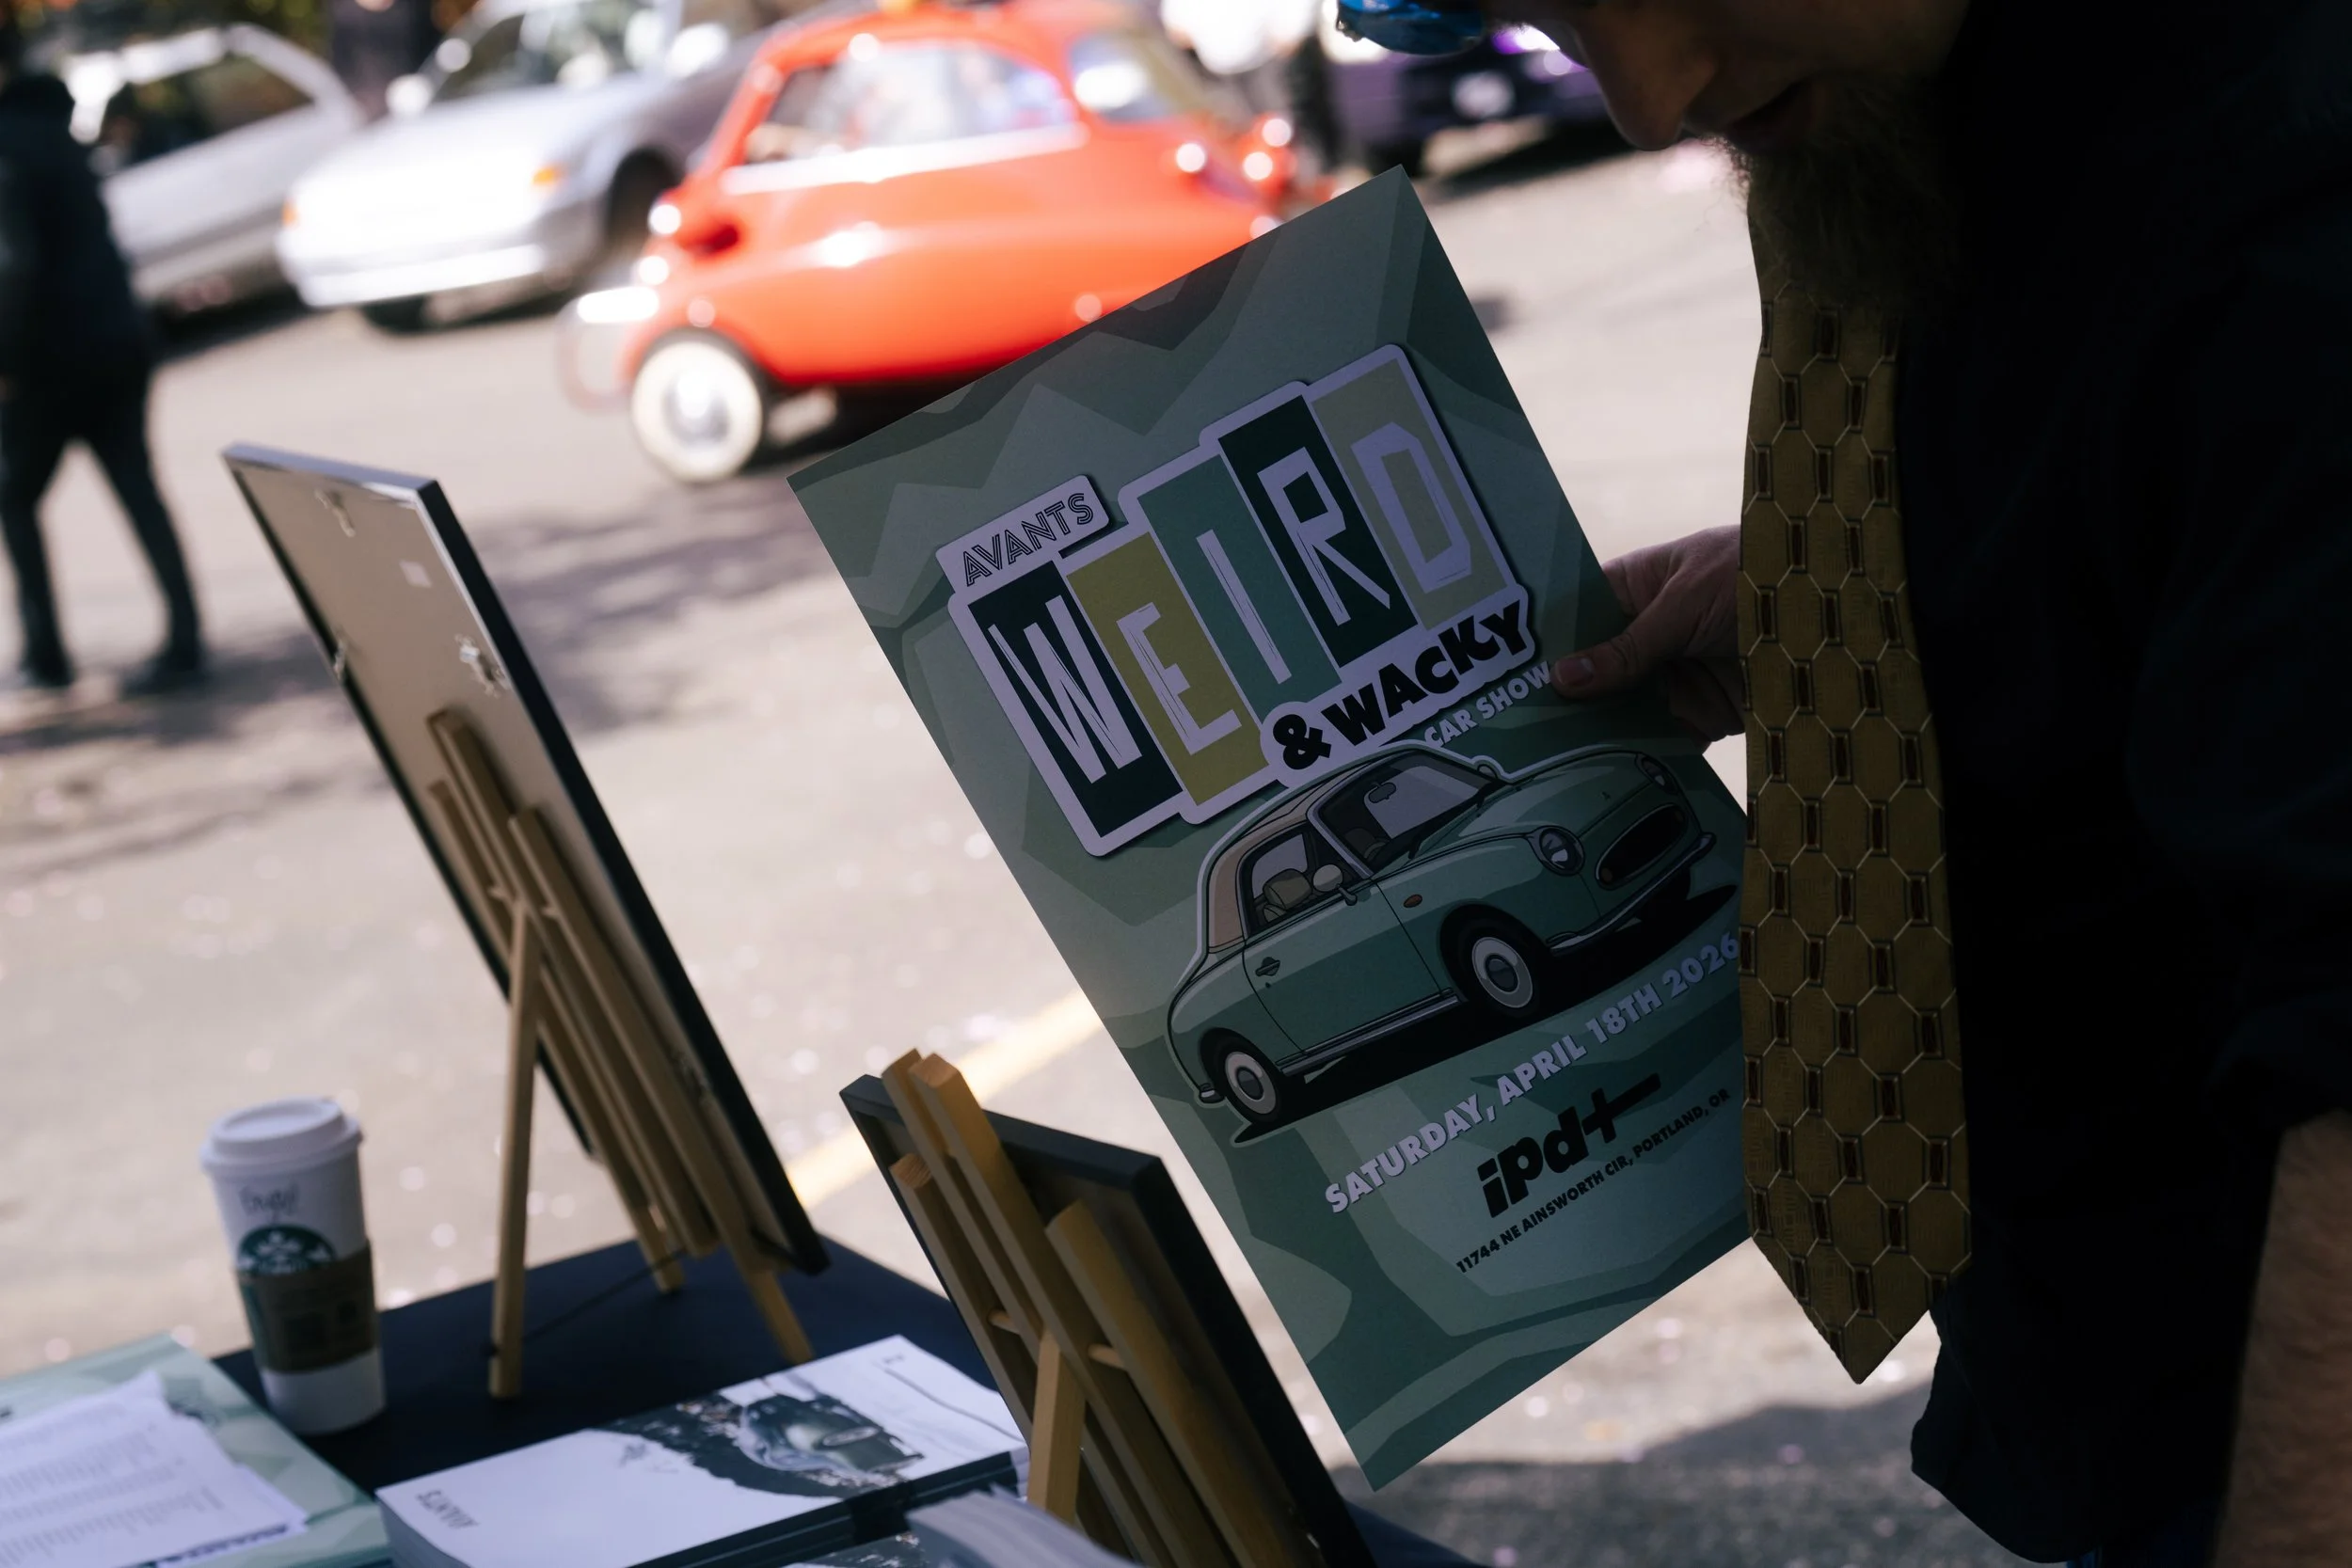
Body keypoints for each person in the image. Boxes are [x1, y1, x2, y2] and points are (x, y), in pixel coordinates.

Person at [1330, 3, 2351, 1565]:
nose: (1651, 97)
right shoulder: (1909, 85)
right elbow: (2144, 506)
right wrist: (1852, 595)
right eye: (1556, 15)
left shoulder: (2285, 171)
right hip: (2125, 1382)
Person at [0, 9, 205, 695]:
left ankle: (46, 655)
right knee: (138, 488)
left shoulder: (8, 143)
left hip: (50, 361)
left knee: (14, 496)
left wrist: (6, 361)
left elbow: (14, 266)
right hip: (117, 336)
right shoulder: (52, 127)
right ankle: (185, 638)